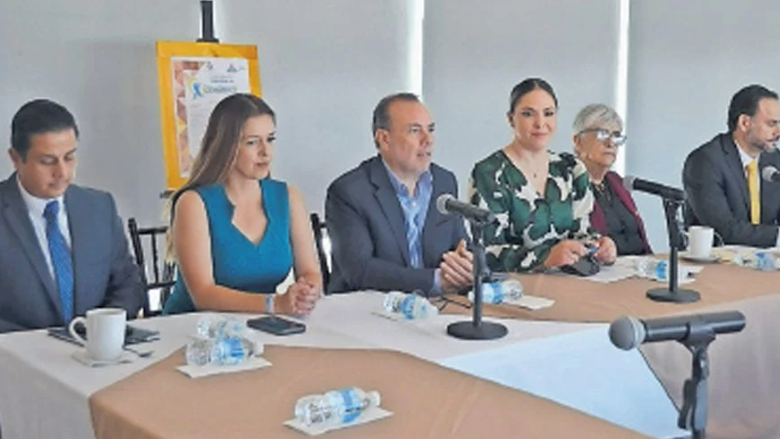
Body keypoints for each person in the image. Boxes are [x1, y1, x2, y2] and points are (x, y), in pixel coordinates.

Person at [163, 94, 321, 315]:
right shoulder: (193, 203)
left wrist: (306, 293)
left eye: (270, 139)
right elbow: (203, 295)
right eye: (252, 142)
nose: (265, 152)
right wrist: (274, 304)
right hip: (192, 327)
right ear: (226, 147)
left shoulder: (288, 196)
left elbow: (310, 271)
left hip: (262, 324)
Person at [0, 99, 143, 333]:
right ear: (16, 159)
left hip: (95, 346)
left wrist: (100, 329)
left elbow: (127, 283)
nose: (62, 172)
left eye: (69, 157)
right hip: (14, 350)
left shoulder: (99, 208)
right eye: (47, 161)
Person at [326, 93, 473, 294]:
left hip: (438, 305)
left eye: (430, 130)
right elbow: (360, 270)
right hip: (372, 307)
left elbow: (461, 245)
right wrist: (435, 280)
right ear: (384, 139)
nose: (428, 140)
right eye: (415, 131)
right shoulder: (349, 192)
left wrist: (467, 265)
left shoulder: (444, 181)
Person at [470, 78, 617, 272]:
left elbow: (582, 233)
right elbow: (487, 251)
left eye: (548, 114)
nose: (540, 123)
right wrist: (545, 257)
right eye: (528, 114)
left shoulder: (571, 168)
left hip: (570, 281)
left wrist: (599, 246)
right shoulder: (490, 173)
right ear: (511, 119)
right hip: (514, 286)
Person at [683, 84, 780, 247]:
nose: (778, 132)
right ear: (744, 123)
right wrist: (777, 236)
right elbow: (724, 230)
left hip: (764, 260)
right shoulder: (706, 161)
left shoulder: (775, 159)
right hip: (718, 260)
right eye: (772, 124)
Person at [572, 104, 651, 255]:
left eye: (616, 136)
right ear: (578, 141)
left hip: (638, 265)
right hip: (600, 268)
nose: (610, 143)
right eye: (602, 134)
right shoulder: (568, 184)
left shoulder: (617, 182)